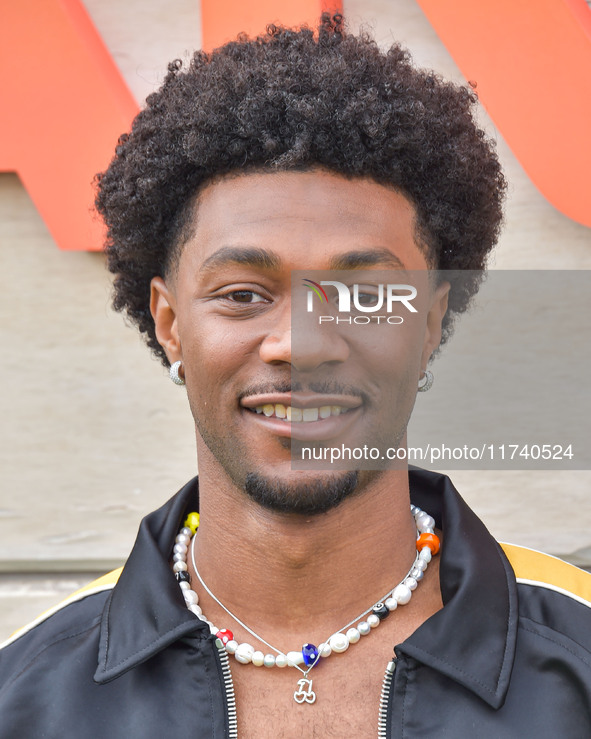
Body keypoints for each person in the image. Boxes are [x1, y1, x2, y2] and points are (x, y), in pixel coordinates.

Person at [1, 15, 590, 738]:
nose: (299, 344)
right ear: (168, 320)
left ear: (430, 320)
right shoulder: (26, 696)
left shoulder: (576, 660)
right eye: (243, 293)